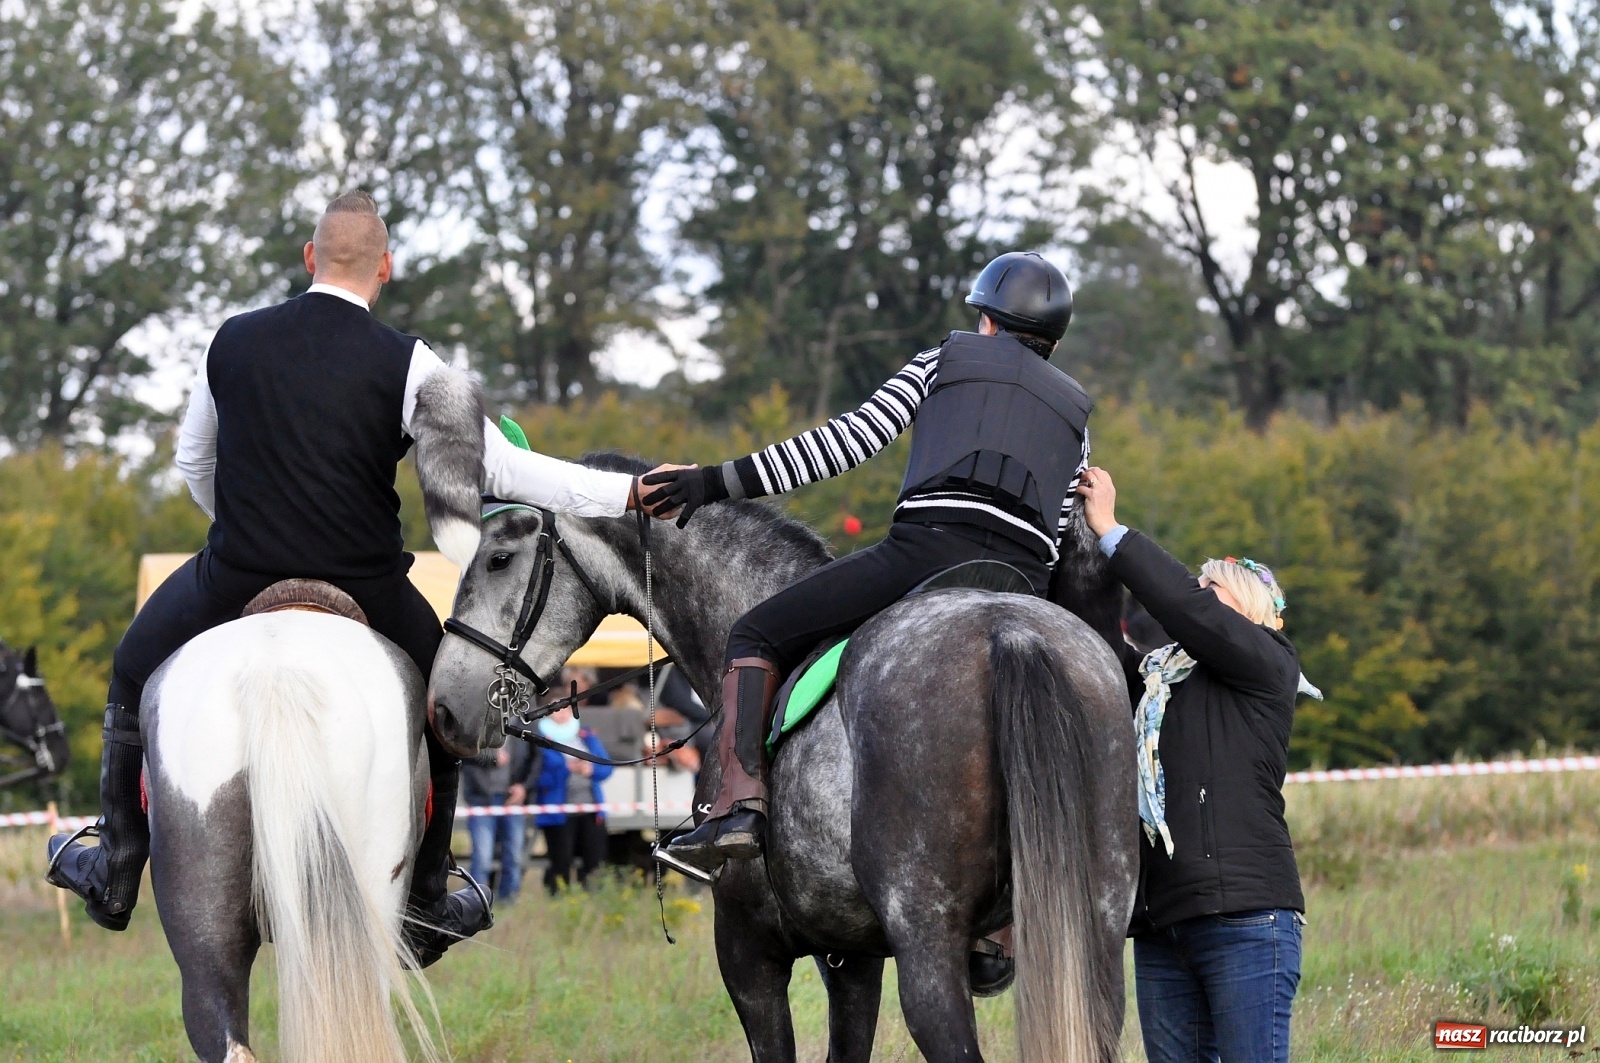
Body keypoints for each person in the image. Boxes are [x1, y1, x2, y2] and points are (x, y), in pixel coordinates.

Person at [46, 192, 653, 966]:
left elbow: (195, 462)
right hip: (369, 586)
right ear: (385, 269)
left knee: (132, 666)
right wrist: (625, 491)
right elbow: (506, 469)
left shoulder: (229, 341)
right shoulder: (413, 362)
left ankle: (118, 862)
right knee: (446, 698)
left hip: (235, 573)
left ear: (309, 258)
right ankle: (430, 894)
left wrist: (239, 524)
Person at [640, 251, 1090, 873]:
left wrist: (712, 483)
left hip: (929, 554)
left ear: (986, 320)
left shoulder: (944, 360)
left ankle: (737, 809)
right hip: (1026, 585)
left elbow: (845, 443)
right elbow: (1064, 529)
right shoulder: (1076, 416)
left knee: (754, 632)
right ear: (1051, 342)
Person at [1076, 465, 1308, 1063]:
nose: (1197, 600)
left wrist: (1111, 529)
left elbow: (1185, 609)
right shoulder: (1157, 682)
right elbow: (1097, 642)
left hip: (1247, 920)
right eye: (1198, 589)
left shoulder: (1268, 663)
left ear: (1252, 613)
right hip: (1160, 926)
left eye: (1214, 592)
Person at [534, 702, 613, 892]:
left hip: (590, 808)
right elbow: (536, 776)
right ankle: (557, 899)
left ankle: (591, 898)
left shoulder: (586, 736)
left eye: (566, 708)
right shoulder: (538, 739)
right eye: (555, 709)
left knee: (594, 859)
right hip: (559, 811)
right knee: (561, 860)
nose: (562, 714)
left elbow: (606, 766)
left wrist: (590, 769)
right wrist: (565, 769)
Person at [463, 736, 536, 903]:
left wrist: (524, 787)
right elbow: (462, 751)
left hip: (512, 799)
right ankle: (476, 903)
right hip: (481, 799)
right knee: (482, 858)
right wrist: (491, 758)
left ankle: (509, 900)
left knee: (514, 856)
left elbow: (535, 759)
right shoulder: (479, 719)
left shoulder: (521, 722)